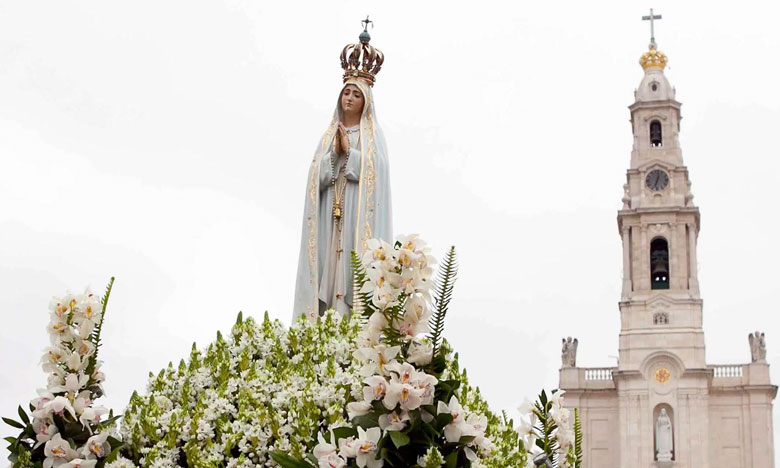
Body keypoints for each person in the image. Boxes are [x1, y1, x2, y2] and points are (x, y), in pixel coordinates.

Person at [293, 27, 392, 322]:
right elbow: (315, 178)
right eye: (346, 92)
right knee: (329, 266)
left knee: (351, 269)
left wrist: (350, 152)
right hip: (331, 217)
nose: (349, 98)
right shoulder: (327, 137)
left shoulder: (373, 137)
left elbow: (378, 175)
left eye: (356, 94)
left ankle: (351, 318)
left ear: (366, 102)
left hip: (356, 217)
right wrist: (334, 154)